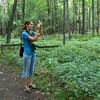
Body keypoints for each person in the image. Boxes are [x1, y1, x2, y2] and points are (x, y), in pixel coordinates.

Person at [21, 20, 42, 92]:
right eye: (31, 24)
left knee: (31, 69)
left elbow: (39, 34)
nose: (32, 25)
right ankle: (25, 86)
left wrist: (40, 27)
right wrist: (37, 29)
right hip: (27, 54)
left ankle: (30, 84)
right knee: (26, 70)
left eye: (32, 24)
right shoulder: (24, 33)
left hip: (33, 53)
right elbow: (34, 39)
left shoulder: (31, 32)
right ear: (26, 25)